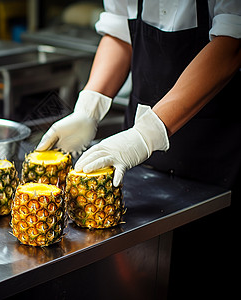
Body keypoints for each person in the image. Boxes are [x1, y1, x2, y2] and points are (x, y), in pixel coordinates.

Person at [37, 0, 240, 298]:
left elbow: (232, 41)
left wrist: (148, 133)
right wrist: (90, 106)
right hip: (140, 164)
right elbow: (120, 31)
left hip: (216, 157)